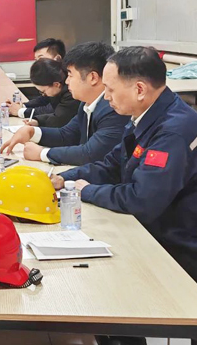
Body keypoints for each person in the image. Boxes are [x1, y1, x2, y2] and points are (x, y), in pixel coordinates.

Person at [52, 47, 197, 284]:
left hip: (176, 250)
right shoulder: (146, 115)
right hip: (151, 232)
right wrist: (65, 179)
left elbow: (142, 200)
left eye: (110, 89)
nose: (106, 96)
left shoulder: (172, 132)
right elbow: (112, 165)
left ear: (139, 89)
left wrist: (86, 190)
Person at [1, 42, 129, 165]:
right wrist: (32, 132)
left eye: (70, 75)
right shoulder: (87, 103)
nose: (67, 81)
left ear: (93, 78)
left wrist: (43, 153)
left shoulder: (113, 108)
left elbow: (90, 154)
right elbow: (66, 134)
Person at [8, 38, 67, 117]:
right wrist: (23, 106)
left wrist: (21, 111)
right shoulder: (52, 77)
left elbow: (52, 110)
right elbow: (44, 99)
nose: (38, 63)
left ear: (57, 58)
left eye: (41, 58)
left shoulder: (68, 80)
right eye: (36, 59)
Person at [21, 58, 80, 128]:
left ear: (56, 84)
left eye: (43, 91)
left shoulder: (71, 94)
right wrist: (37, 121)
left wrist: (38, 121)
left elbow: (59, 119)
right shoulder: (57, 89)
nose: (43, 95)